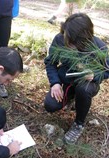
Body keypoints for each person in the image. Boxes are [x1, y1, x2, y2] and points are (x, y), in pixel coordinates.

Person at [44, 13, 109, 144]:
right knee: (50, 105)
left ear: (82, 39)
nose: (67, 41)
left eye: (71, 40)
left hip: (87, 84)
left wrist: (95, 75)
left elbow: (107, 71)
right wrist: (55, 83)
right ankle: (70, 97)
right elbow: (50, 63)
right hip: (66, 82)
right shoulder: (60, 39)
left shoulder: (99, 47)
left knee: (83, 90)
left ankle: (79, 124)